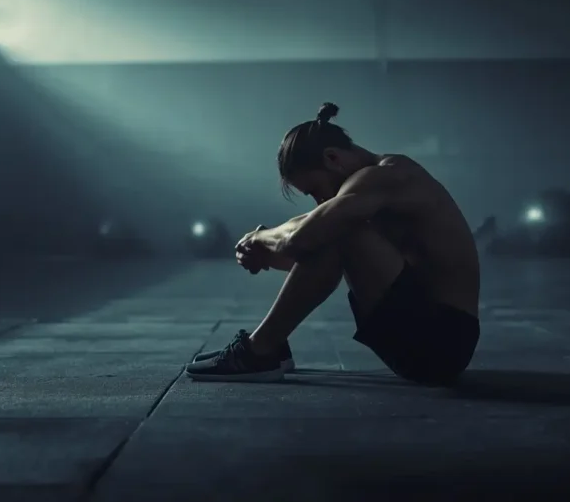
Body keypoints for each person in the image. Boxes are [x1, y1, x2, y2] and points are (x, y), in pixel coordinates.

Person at [185, 102, 481, 385]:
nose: (319, 201)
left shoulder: (387, 176)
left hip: (442, 346)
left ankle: (261, 350)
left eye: (315, 189)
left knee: (338, 229)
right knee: (332, 228)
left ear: (332, 158)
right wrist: (264, 248)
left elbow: (302, 237)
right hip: (419, 342)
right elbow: (311, 256)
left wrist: (260, 238)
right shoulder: (369, 195)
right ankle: (266, 348)